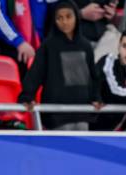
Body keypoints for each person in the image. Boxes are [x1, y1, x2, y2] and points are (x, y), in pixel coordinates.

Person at [18, 0, 98, 130]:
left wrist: (96, 97)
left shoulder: (85, 46)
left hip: (82, 110)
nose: (64, 22)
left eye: (68, 16)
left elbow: (93, 76)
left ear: (76, 18)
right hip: (57, 112)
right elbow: (35, 73)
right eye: (59, 18)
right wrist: (27, 96)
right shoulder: (48, 46)